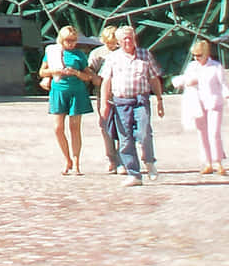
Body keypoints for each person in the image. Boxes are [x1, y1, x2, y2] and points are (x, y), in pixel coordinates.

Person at [97, 24, 162, 186]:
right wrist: (104, 104)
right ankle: (134, 174)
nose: (128, 41)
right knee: (125, 138)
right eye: (124, 38)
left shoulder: (145, 54)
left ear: (135, 38)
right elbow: (106, 81)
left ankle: (149, 161)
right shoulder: (112, 58)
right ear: (118, 41)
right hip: (120, 102)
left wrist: (160, 100)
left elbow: (154, 78)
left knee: (145, 132)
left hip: (141, 100)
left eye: (130, 37)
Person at [40, 24, 95, 174]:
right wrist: (54, 71)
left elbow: (87, 76)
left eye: (73, 40)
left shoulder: (79, 55)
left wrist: (76, 73)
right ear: (61, 40)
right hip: (58, 90)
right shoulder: (53, 52)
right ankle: (67, 159)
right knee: (58, 128)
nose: (71, 43)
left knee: (74, 128)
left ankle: (76, 162)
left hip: (77, 91)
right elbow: (42, 72)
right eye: (68, 40)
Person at [172, 36, 227, 174]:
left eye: (199, 55)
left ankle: (218, 162)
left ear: (206, 54)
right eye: (194, 55)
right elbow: (184, 80)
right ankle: (207, 162)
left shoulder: (216, 66)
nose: (196, 58)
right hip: (197, 103)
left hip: (214, 102)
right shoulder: (192, 66)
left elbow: (223, 85)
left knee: (214, 133)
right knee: (202, 134)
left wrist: (226, 94)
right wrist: (185, 81)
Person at [87, 26, 123, 173]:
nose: (112, 46)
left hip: (121, 93)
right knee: (105, 125)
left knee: (123, 125)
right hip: (103, 94)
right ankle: (110, 158)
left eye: (114, 42)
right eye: (109, 43)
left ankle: (122, 158)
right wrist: (95, 79)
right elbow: (89, 69)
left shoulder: (124, 52)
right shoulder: (97, 53)